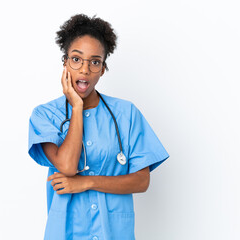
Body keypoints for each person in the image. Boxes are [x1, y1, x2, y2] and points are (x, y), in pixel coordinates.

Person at [28, 13, 169, 240]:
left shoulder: (126, 114)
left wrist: (86, 183)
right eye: (76, 59)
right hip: (67, 232)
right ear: (64, 62)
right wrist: (76, 107)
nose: (85, 70)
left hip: (113, 233)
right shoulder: (45, 115)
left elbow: (142, 181)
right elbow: (66, 166)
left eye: (95, 62)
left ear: (103, 68)